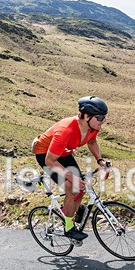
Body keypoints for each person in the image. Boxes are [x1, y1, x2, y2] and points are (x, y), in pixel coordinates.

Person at [32, 95, 109, 242]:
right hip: (46, 155)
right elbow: (50, 160)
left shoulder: (92, 127)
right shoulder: (66, 130)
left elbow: (92, 142)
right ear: (86, 116)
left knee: (79, 187)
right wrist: (72, 177)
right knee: (72, 186)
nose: (103, 121)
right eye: (100, 118)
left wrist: (100, 161)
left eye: (104, 117)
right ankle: (68, 227)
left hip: (64, 153)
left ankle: (70, 209)